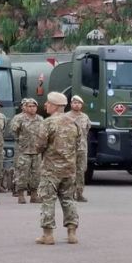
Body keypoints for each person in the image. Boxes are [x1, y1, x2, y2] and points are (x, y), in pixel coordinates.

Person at [35, 92, 81, 245]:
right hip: (69, 168)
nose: (45, 105)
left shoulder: (48, 123)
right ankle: (72, 233)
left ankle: (48, 235)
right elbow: (78, 144)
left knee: (48, 200)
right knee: (69, 199)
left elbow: (39, 146)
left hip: (51, 169)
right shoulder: (74, 123)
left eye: (48, 103)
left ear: (54, 106)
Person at [9, 98, 43, 204]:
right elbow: (13, 131)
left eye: (34, 106)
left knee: (36, 174)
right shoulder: (19, 119)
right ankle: (20, 195)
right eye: (29, 106)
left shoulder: (40, 119)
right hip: (24, 150)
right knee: (22, 173)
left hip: (36, 151)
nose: (32, 108)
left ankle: (34, 195)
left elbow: (43, 133)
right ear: (25, 107)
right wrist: (20, 141)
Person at [68, 95, 91, 202]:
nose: (76, 105)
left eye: (79, 103)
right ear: (71, 104)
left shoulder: (85, 117)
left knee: (81, 171)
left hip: (82, 148)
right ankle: (69, 193)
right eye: (74, 103)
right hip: (69, 149)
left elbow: (87, 129)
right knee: (70, 171)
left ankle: (80, 193)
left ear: (81, 105)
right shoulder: (66, 117)